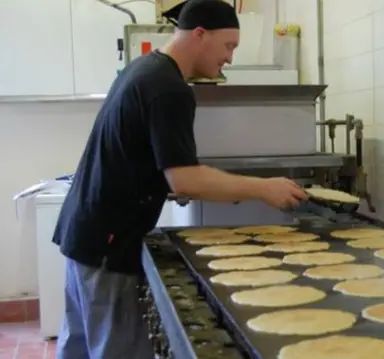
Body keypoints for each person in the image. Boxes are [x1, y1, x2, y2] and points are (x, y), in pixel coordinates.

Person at [53, 0, 308, 358]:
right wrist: (264, 188)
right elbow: (185, 180)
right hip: (110, 245)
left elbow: (143, 161)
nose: (230, 59)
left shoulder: (141, 69)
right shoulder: (169, 88)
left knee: (78, 348)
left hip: (84, 234)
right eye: (228, 46)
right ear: (200, 35)